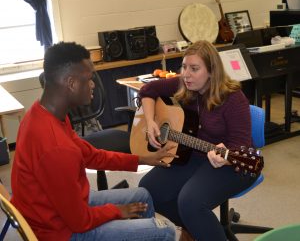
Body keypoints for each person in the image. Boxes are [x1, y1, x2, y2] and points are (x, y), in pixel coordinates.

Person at [11, 42, 177, 241]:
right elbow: (80, 222)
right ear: (71, 83)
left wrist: (143, 159)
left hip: (61, 208)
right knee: (165, 230)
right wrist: (116, 211)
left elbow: (91, 155)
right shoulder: (55, 147)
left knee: (142, 195)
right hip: (58, 232)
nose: (93, 85)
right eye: (89, 79)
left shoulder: (45, 113)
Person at [138, 40, 258, 241]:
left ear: (211, 71)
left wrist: (225, 156)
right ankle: (196, 230)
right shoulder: (186, 84)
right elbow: (148, 90)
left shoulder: (233, 99)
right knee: (148, 190)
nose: (186, 74)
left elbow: (241, 146)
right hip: (195, 154)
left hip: (236, 163)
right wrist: (150, 121)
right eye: (184, 67)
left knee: (190, 201)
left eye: (194, 69)